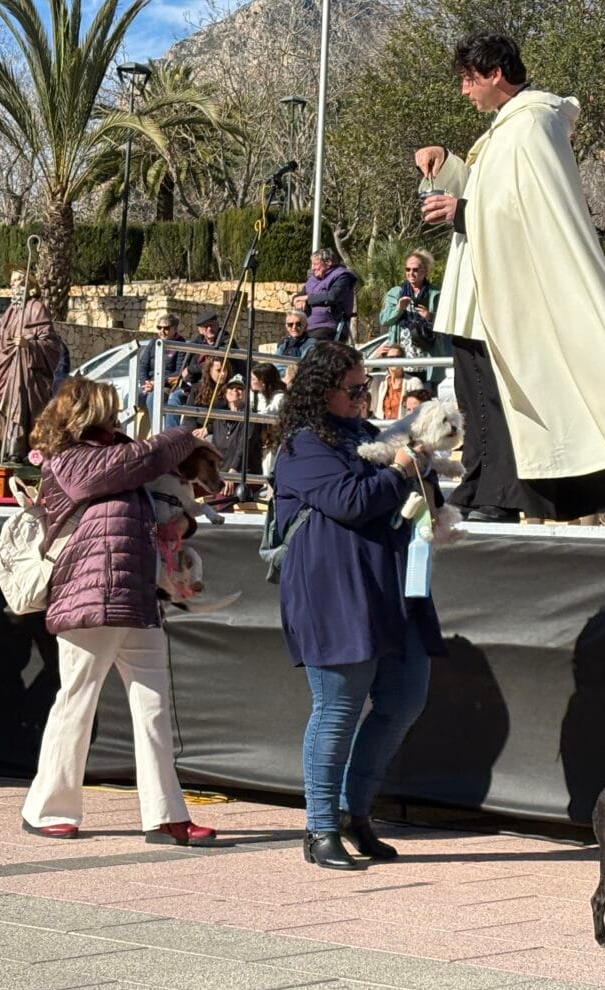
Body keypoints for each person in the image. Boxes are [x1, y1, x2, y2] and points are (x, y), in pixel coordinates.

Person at [416, 33, 605, 524]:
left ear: (495, 74)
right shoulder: (510, 127)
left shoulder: (533, 125)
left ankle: (495, 497)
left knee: (496, 400)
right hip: (481, 290)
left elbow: (535, 215)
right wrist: (451, 166)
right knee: (477, 397)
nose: (465, 92)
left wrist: (461, 210)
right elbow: (501, 198)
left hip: (507, 297)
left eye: (469, 80)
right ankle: (485, 490)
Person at [272, 342, 445, 869]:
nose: (362, 396)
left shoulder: (370, 436)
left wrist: (418, 465)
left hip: (394, 590)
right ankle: (320, 829)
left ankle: (354, 814)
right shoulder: (302, 446)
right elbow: (350, 502)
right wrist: (397, 471)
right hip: (336, 594)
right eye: (352, 389)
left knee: (404, 701)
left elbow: (422, 492)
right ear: (321, 391)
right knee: (337, 710)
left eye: (363, 387)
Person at [21, 377, 215, 845]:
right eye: (111, 408)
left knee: (152, 706)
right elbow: (136, 461)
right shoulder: (71, 461)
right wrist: (183, 435)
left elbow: (151, 497)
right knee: (77, 701)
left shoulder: (125, 458)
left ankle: (165, 814)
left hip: (135, 594)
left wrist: (181, 522)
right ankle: (47, 808)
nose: (119, 415)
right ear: (87, 413)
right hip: (88, 596)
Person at [0, 271, 64, 462]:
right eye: (12, 282)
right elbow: (0, 343)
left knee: (20, 405)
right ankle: (6, 448)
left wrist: (29, 345)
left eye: (20, 281)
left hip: (27, 372)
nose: (15, 286)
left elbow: (52, 344)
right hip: (7, 369)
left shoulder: (37, 308)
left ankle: (18, 451)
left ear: (30, 285)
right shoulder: (10, 311)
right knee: (7, 409)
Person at [379, 249, 449, 385]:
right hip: (403, 356)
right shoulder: (396, 293)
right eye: (408, 269)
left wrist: (430, 317)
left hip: (428, 355)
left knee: (427, 398)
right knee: (404, 397)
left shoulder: (435, 294)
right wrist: (399, 308)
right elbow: (384, 320)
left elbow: (447, 323)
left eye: (415, 269)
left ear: (425, 271)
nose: (411, 273)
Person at [198, 374, 263, 504]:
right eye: (231, 388)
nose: (234, 391)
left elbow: (244, 447)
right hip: (222, 474)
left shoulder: (251, 418)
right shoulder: (219, 417)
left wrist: (232, 474)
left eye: (239, 389)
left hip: (244, 475)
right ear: (225, 393)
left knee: (221, 499)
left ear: (245, 394)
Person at [293, 248, 357, 342]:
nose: (312, 268)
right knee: (287, 345)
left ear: (328, 262)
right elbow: (299, 295)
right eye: (312, 264)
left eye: (315, 264)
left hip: (328, 326)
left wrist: (307, 298)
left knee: (310, 345)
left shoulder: (342, 276)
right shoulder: (312, 280)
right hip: (307, 326)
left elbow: (332, 296)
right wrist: (296, 301)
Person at [137, 315, 189, 415]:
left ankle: (156, 431)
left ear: (174, 329)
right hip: (149, 385)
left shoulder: (181, 345)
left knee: (153, 399)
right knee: (129, 398)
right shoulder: (153, 343)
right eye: (159, 328)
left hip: (167, 386)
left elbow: (178, 372)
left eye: (166, 328)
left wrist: (157, 383)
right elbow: (143, 365)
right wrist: (146, 383)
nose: (162, 331)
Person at [368, 344, 425, 421]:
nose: (394, 360)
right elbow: (361, 373)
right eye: (390, 358)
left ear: (403, 359)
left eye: (398, 357)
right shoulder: (378, 380)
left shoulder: (414, 382)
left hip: (403, 429)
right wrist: (375, 356)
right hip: (380, 428)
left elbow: (422, 411)